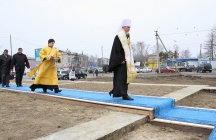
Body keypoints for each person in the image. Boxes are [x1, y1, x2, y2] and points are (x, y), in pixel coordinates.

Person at [108, 19, 137, 100]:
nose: (129, 29)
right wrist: (121, 60)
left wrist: (131, 59)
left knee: (124, 79)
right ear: (123, 27)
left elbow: (128, 50)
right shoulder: (118, 37)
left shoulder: (127, 36)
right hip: (121, 63)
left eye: (130, 27)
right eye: (128, 27)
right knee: (120, 79)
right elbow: (116, 50)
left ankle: (117, 91)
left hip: (127, 62)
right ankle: (124, 94)